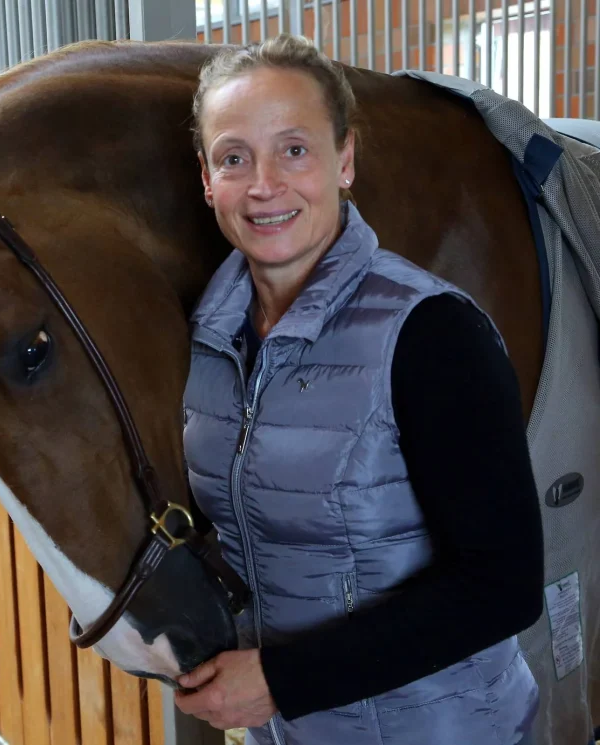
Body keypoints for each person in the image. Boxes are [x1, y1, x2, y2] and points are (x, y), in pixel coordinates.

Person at [175, 34, 545, 745]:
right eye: (234, 157)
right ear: (206, 180)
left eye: (294, 149)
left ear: (345, 160)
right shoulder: (206, 339)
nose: (263, 184)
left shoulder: (432, 333)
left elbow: (502, 586)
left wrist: (283, 680)